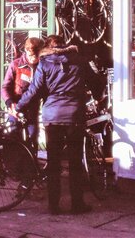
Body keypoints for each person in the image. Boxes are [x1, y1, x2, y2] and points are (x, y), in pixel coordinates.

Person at [14, 34, 103, 215]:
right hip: (74, 116)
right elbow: (97, 83)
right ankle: (77, 204)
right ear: (65, 44)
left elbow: (34, 90)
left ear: (48, 46)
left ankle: (53, 206)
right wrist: (97, 96)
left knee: (53, 162)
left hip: (52, 116)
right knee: (75, 162)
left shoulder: (44, 63)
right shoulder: (79, 60)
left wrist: (19, 106)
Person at [1, 37, 44, 156]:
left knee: (32, 138)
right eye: (31, 56)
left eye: (36, 56)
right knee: (14, 140)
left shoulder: (43, 65)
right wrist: (10, 102)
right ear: (25, 51)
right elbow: (5, 87)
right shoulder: (15, 65)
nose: (34, 59)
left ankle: (31, 169)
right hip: (16, 109)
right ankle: (14, 170)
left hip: (32, 110)